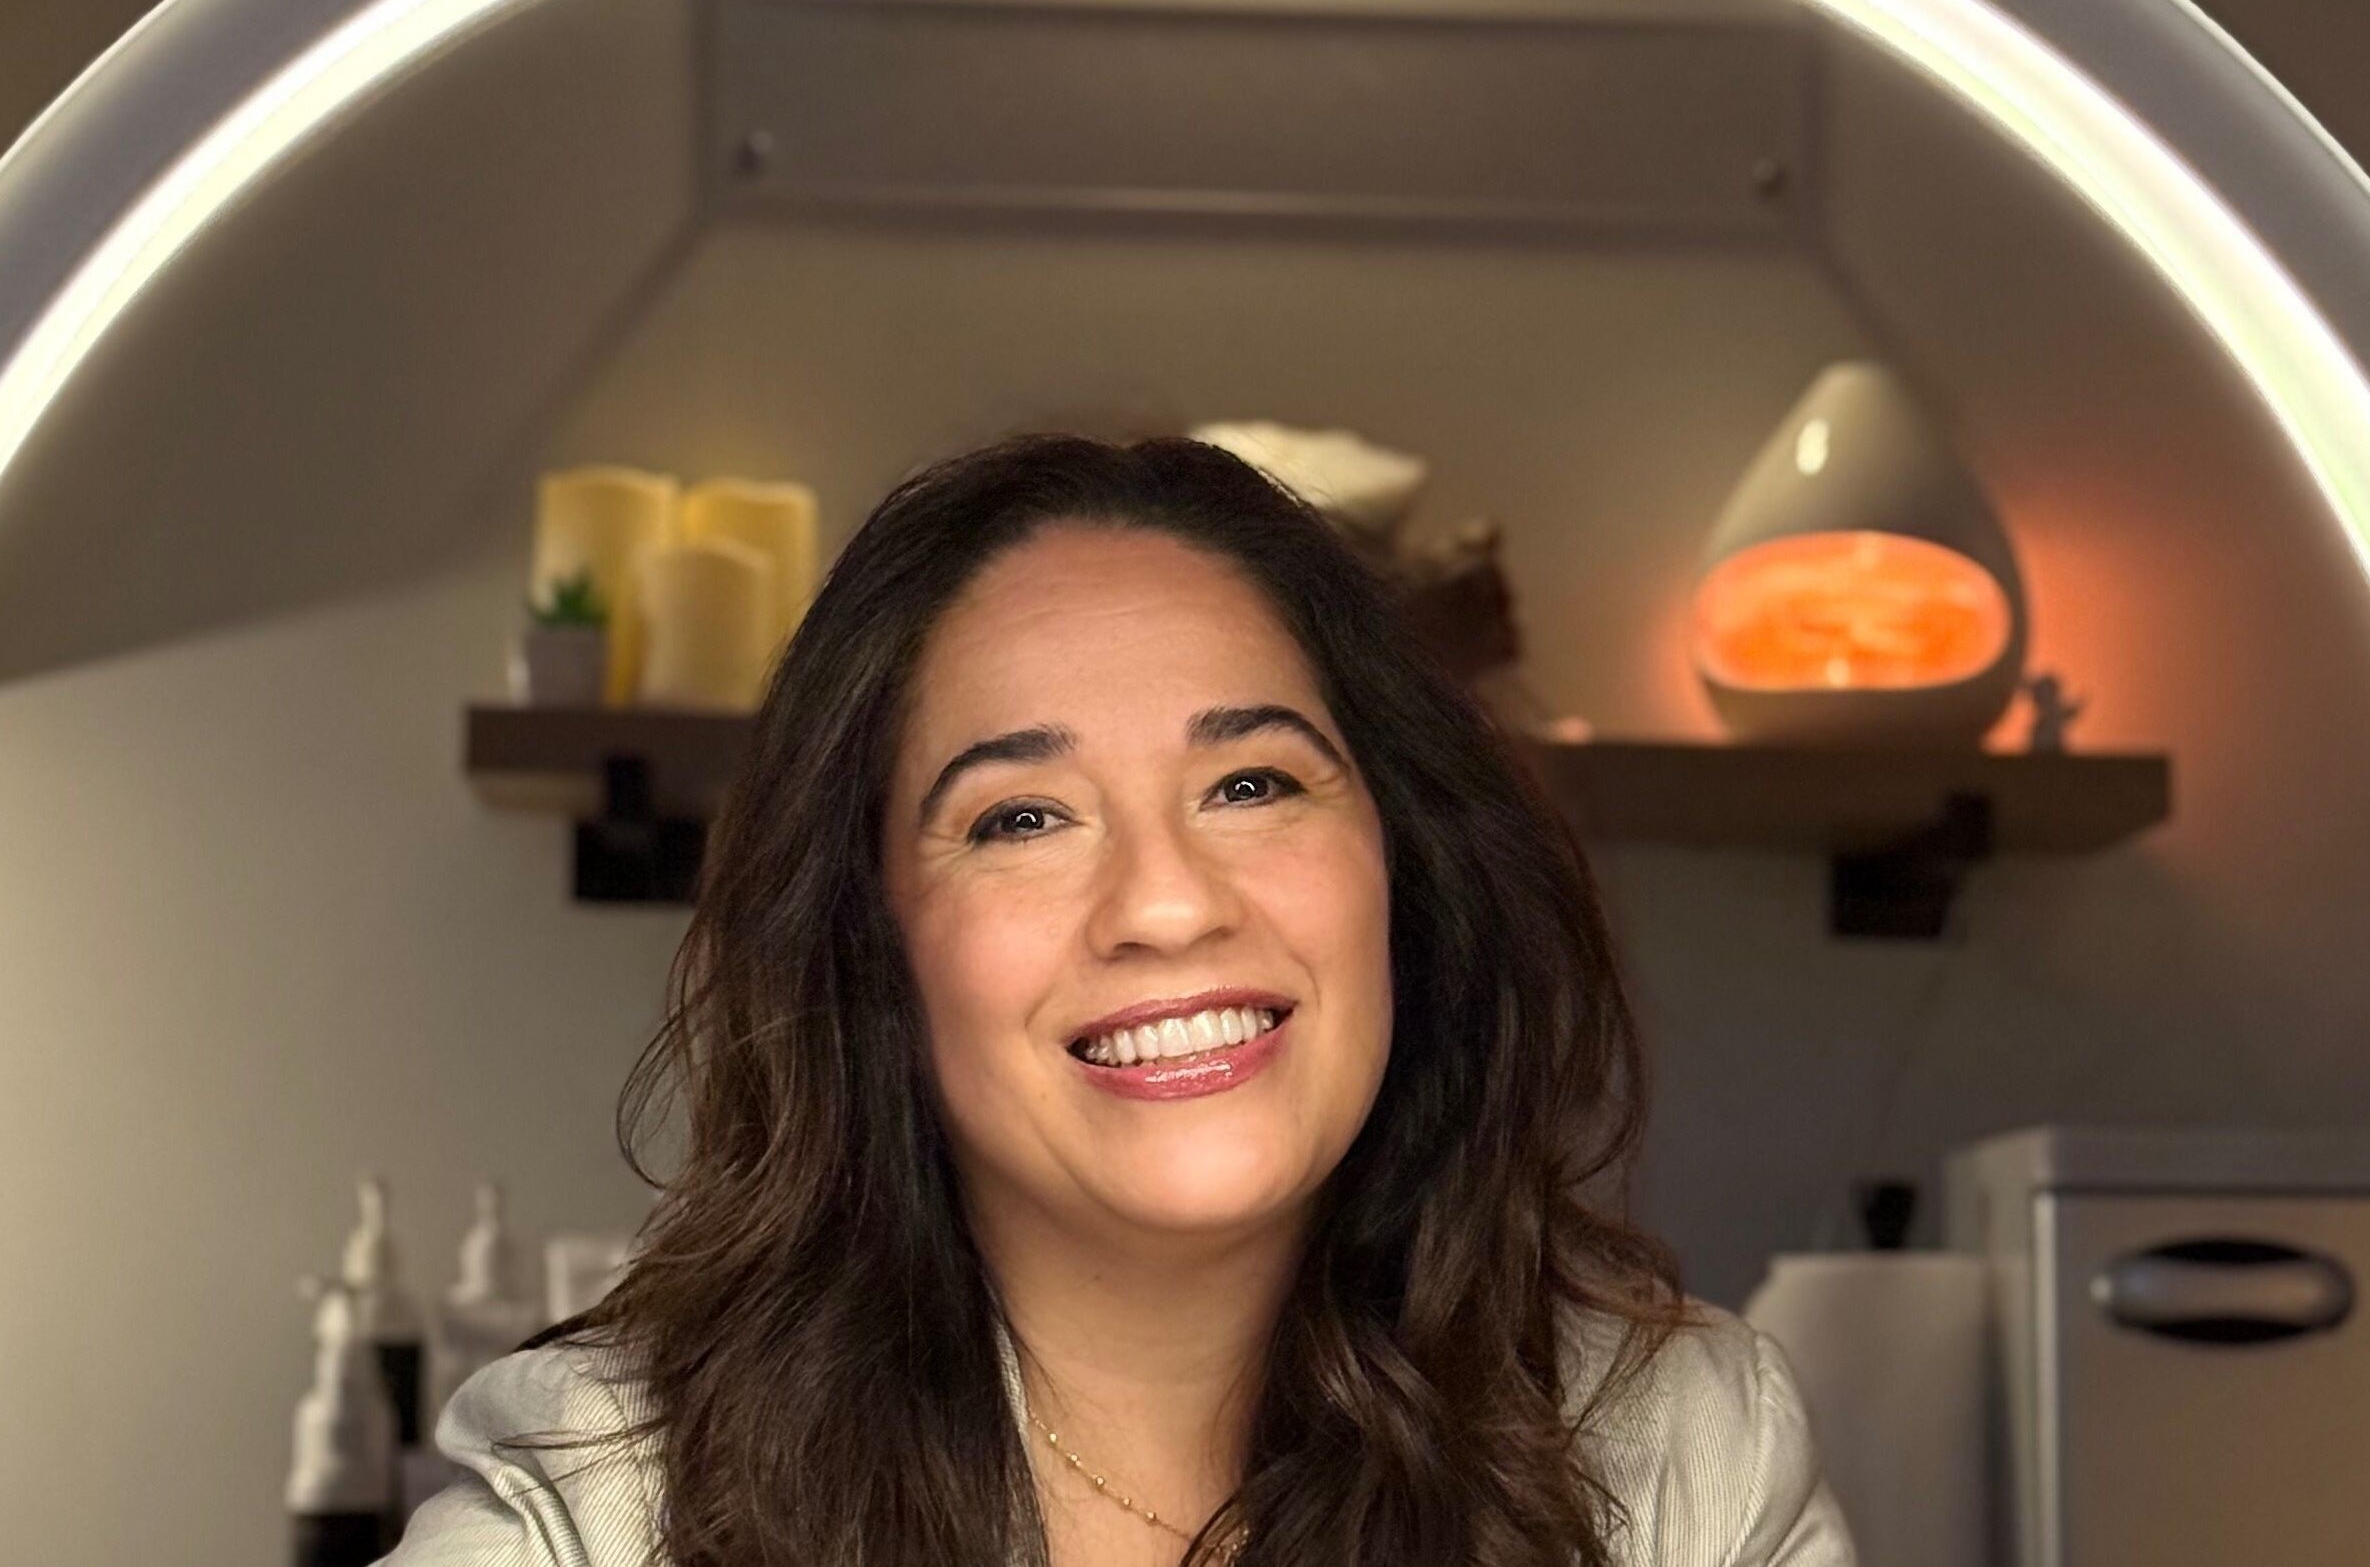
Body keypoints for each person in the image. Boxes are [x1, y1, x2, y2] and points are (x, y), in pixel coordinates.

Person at [379, 430, 1857, 1567]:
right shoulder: (611, 1507)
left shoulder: (1681, 1456)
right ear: (873, 945)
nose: (1164, 900)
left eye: (1251, 781)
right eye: (1020, 816)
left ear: (1400, 866)